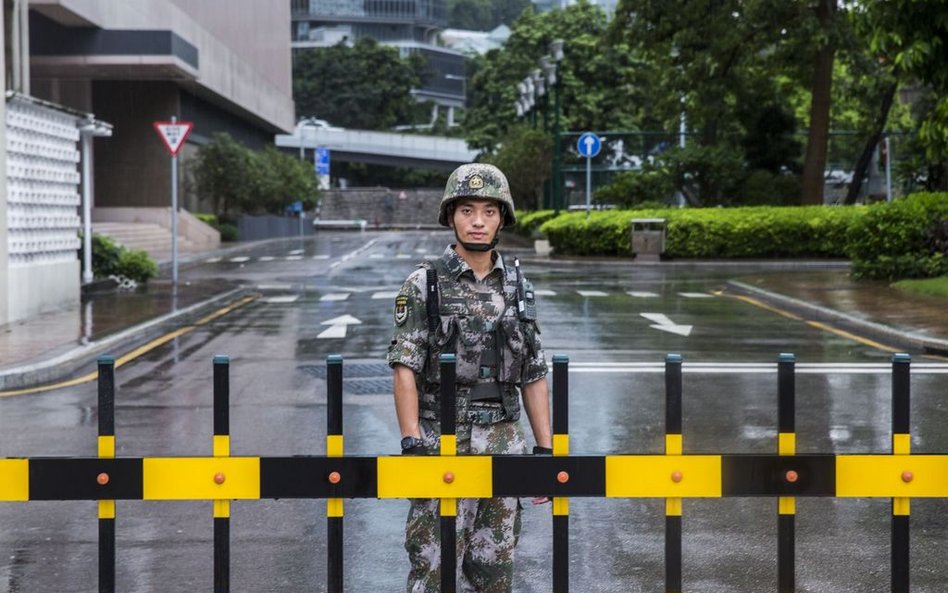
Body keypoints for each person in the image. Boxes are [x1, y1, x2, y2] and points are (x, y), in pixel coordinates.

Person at [387, 163, 553, 593]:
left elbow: (532, 372)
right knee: (434, 569)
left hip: (503, 441)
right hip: (442, 441)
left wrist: (545, 450)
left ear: (502, 218)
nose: (477, 221)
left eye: (489, 211)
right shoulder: (424, 284)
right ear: (451, 216)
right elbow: (404, 365)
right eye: (466, 210)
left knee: (494, 572)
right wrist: (411, 443)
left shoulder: (517, 286)